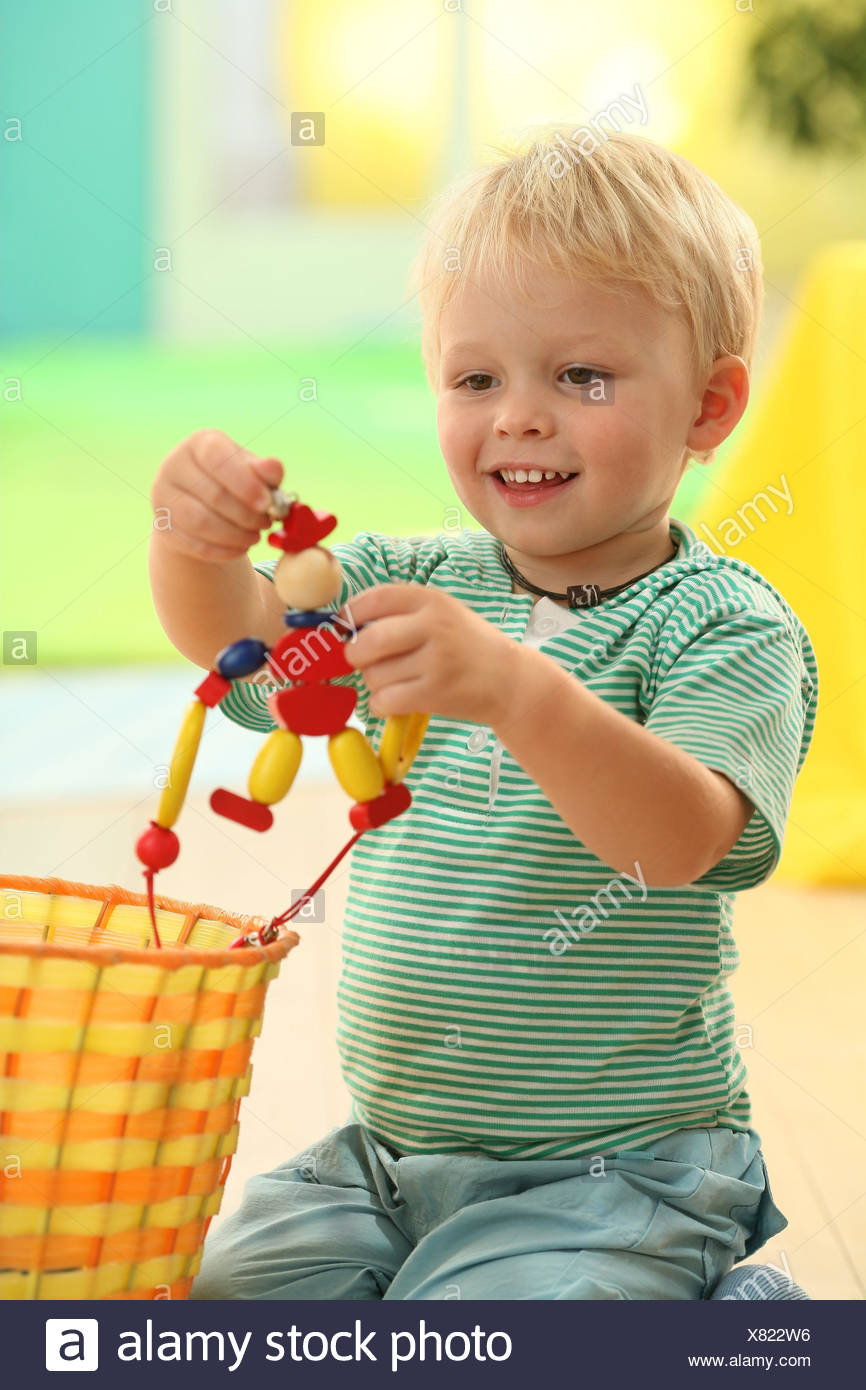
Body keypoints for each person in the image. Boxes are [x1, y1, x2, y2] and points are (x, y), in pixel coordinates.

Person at [149, 127, 818, 1300]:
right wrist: (193, 540)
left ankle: (731, 1327)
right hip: (386, 1164)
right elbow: (239, 642)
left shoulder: (721, 624)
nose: (517, 416)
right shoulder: (411, 583)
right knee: (203, 1311)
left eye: (581, 377)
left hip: (618, 1173)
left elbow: (678, 843)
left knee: (485, 1337)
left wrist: (516, 691)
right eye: (476, 379)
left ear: (707, 407)